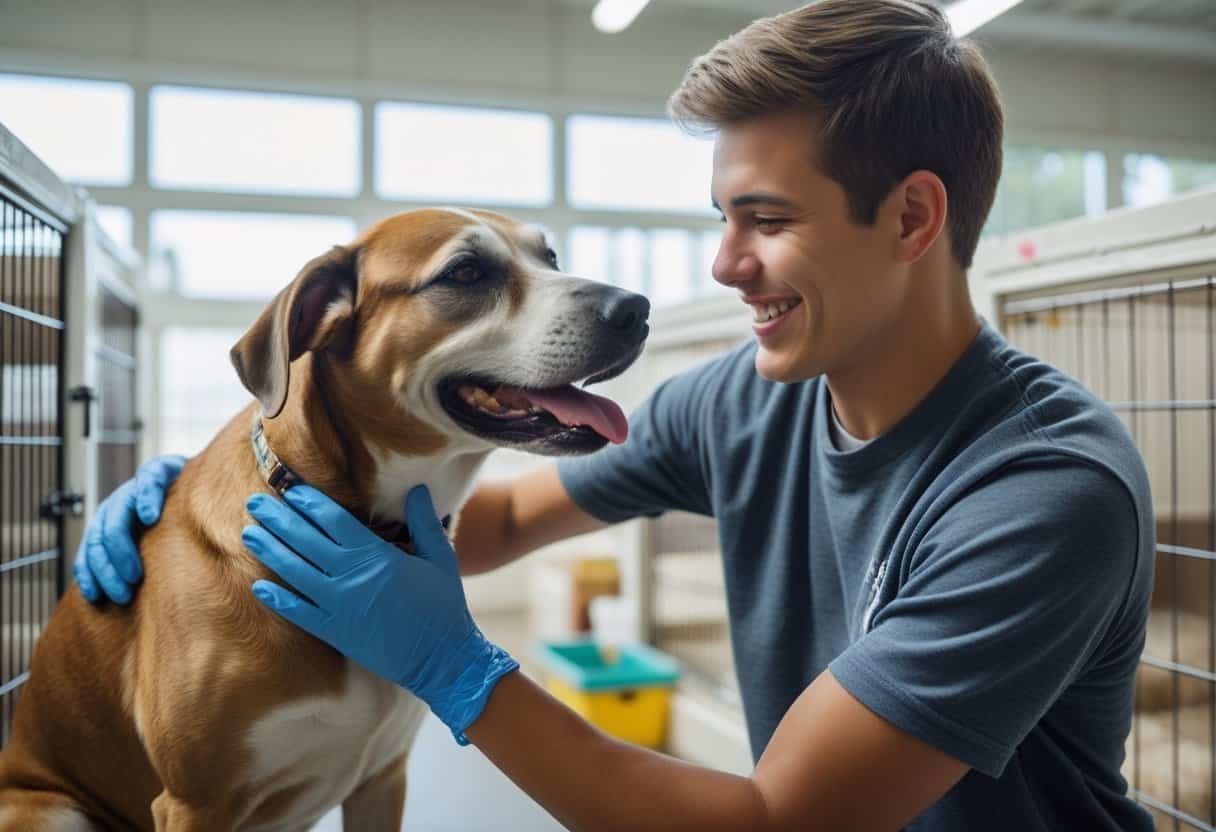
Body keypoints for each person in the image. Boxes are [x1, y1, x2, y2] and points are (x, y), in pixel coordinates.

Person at [74, 1, 1156, 828]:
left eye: (763, 220)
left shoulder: (1041, 489)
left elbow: (777, 818)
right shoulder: (748, 398)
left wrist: (457, 667)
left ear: (912, 216)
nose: (724, 264)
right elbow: (489, 528)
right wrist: (219, 492)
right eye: (721, 217)